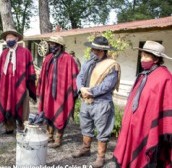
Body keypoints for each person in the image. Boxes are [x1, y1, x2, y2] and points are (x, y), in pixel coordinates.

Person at [113, 41, 172, 168]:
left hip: (147, 126)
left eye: (146, 56)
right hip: (134, 124)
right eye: (142, 55)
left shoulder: (164, 77)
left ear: (156, 59)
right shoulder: (143, 75)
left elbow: (166, 104)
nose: (142, 59)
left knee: (144, 157)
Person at [72, 36, 121, 168]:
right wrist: (81, 88)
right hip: (85, 100)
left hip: (101, 103)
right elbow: (80, 76)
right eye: (93, 49)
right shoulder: (88, 62)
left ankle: (100, 157)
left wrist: (90, 91)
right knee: (85, 125)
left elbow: (107, 86)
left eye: (98, 50)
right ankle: (86, 149)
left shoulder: (112, 65)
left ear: (104, 51)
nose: (94, 51)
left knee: (102, 130)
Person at [37, 35, 79, 148]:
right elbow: (42, 76)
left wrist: (74, 90)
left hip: (62, 93)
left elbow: (75, 76)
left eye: (54, 44)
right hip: (49, 92)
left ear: (60, 46)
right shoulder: (48, 58)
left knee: (61, 114)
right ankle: (49, 135)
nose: (52, 46)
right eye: (51, 44)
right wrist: (41, 89)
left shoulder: (68, 59)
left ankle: (58, 139)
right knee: (48, 111)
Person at [0, 29, 37, 134]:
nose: (9, 40)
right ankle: (9, 127)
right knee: (7, 103)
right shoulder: (4, 53)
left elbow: (30, 68)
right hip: (6, 86)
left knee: (23, 106)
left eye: (11, 38)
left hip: (21, 86)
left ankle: (23, 127)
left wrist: (29, 80)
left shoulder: (25, 52)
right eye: (7, 38)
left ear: (17, 39)